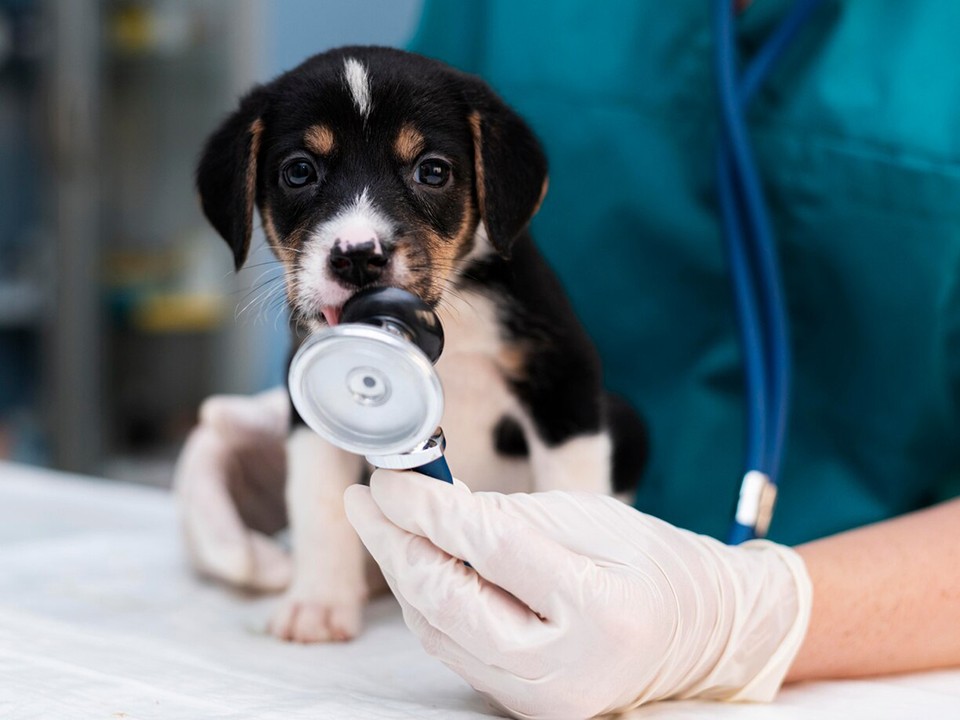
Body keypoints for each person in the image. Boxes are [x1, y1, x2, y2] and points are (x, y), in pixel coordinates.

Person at [174, 1, 960, 717]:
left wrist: (744, 612)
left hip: (888, 650)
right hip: (410, 640)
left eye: (431, 173)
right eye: (302, 175)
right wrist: (317, 440)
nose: (361, 237)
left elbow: (571, 399)